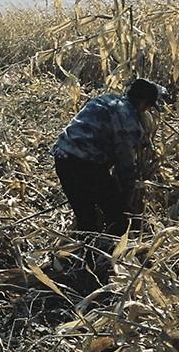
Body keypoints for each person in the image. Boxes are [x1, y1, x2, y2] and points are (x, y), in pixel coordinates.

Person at [52, 78, 162, 238]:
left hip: (62, 155)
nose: (147, 111)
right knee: (118, 218)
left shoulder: (106, 98)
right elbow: (125, 166)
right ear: (143, 103)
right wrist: (126, 198)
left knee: (85, 217)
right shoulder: (129, 121)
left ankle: (84, 256)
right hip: (84, 164)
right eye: (149, 106)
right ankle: (108, 256)